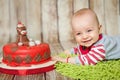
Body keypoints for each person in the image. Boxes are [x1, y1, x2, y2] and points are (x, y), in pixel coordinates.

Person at [52, 8, 120, 65]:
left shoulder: (100, 47)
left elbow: (87, 60)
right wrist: (68, 52)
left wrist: (65, 60)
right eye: (79, 33)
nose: (84, 36)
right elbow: (80, 49)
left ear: (99, 29)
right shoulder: (88, 42)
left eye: (89, 30)